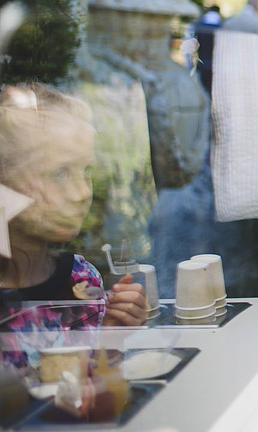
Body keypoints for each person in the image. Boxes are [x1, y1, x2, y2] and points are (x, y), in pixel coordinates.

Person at [0, 83, 148, 364]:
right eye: (60, 173)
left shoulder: (82, 279)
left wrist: (112, 334)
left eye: (87, 171)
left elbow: (90, 386)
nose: (83, 193)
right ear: (4, 182)